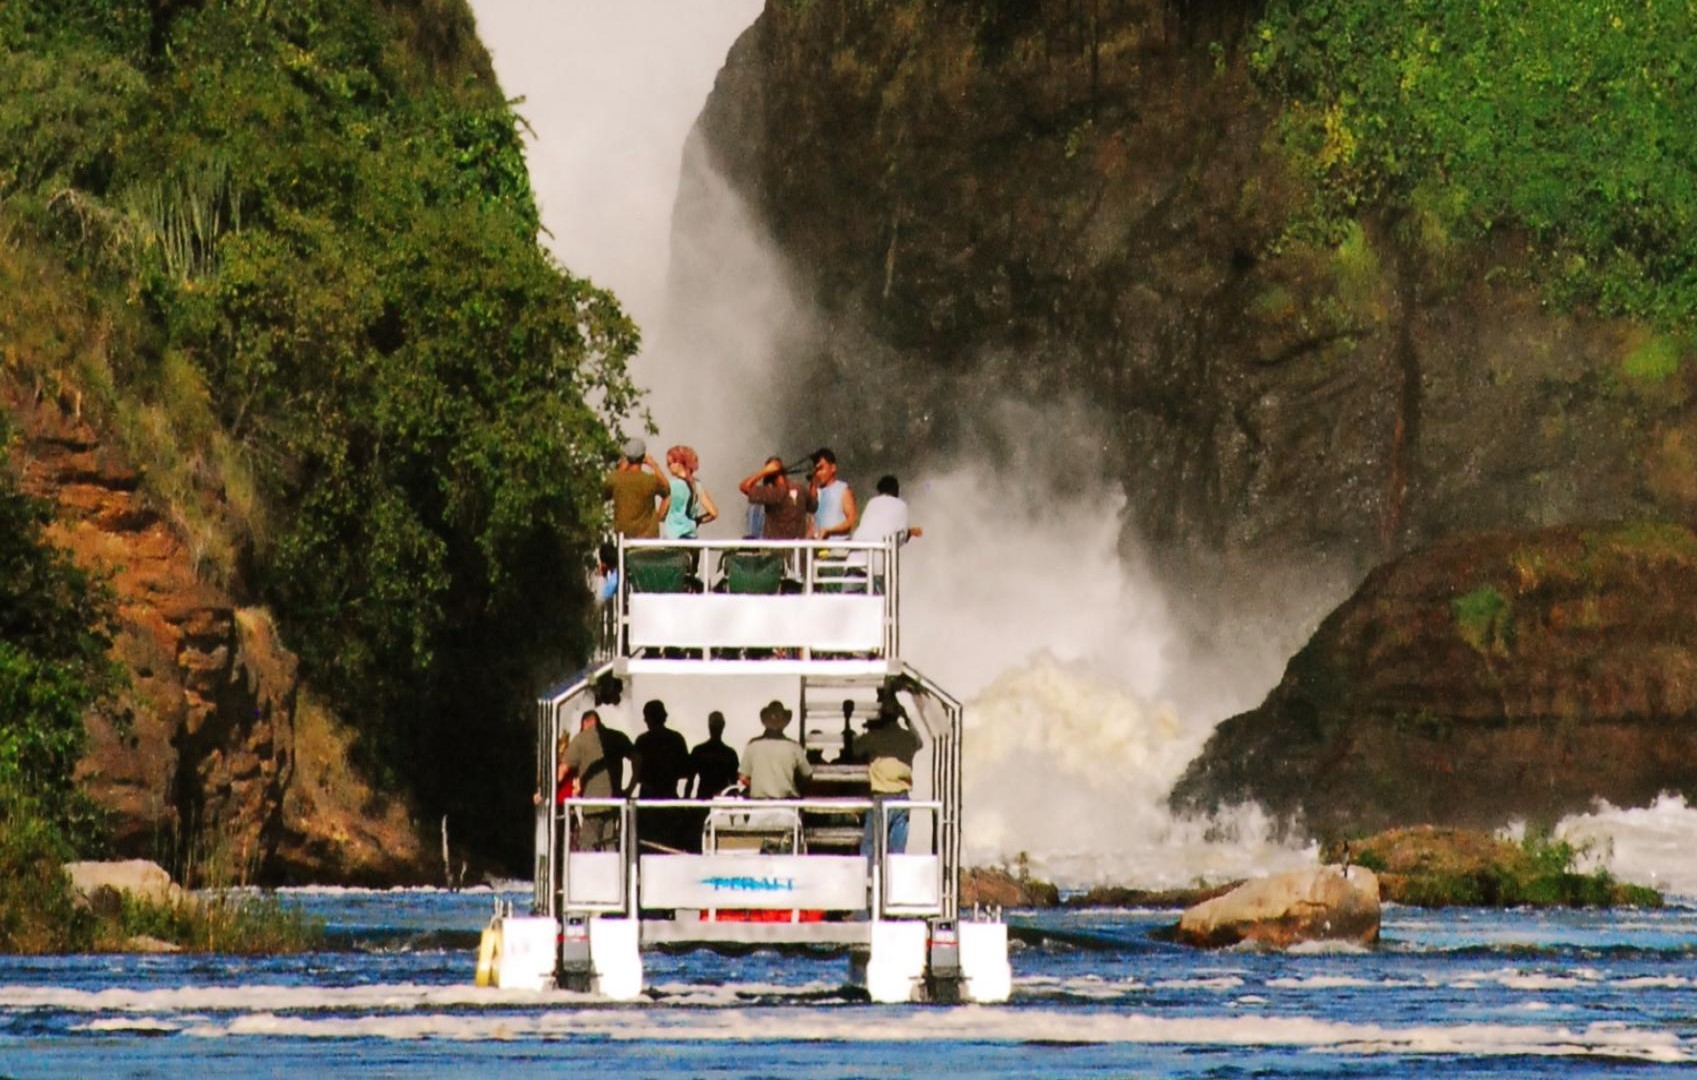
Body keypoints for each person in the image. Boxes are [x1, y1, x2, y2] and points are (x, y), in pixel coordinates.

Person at [855, 688, 923, 856]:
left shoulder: (873, 738)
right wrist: (907, 719)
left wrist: (868, 728)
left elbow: (855, 749)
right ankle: (892, 880)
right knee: (896, 850)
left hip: (881, 796)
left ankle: (869, 880)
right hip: (902, 798)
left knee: (871, 847)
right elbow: (919, 742)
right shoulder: (907, 738)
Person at [561, 709, 621, 851]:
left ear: (585, 723)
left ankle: (588, 872)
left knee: (588, 846)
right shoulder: (615, 737)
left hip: (591, 805)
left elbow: (563, 769)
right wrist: (630, 787)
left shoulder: (580, 739)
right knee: (610, 844)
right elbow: (636, 757)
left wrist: (545, 791)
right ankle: (612, 871)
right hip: (614, 803)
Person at [740, 700, 812, 799]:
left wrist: (757, 785)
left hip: (759, 805)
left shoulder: (753, 745)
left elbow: (743, 777)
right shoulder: (793, 747)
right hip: (787, 806)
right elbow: (807, 775)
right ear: (783, 723)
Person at [603, 437, 670, 539]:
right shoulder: (651, 480)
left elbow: (603, 494)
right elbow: (667, 490)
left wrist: (620, 469)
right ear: (643, 457)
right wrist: (654, 466)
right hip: (648, 538)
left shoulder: (615, 479)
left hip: (624, 537)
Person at [739, 456, 815, 541]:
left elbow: (744, 486)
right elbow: (814, 506)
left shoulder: (773, 494)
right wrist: (814, 482)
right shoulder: (800, 490)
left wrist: (764, 471)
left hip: (775, 549)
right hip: (797, 548)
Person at [661, 445, 718, 540]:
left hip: (674, 537)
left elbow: (661, 514)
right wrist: (697, 521)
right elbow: (713, 513)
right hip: (691, 537)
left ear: (680, 463)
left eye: (670, 463)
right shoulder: (697, 485)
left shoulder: (673, 485)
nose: (668, 466)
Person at [688, 711, 741, 798]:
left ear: (709, 726)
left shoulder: (699, 751)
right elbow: (734, 784)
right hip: (723, 799)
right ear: (723, 726)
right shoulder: (730, 753)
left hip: (704, 797)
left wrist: (686, 804)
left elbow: (690, 780)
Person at [808, 447, 857, 540]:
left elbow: (851, 521)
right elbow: (811, 524)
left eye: (821, 468)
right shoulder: (816, 492)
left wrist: (830, 531)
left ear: (833, 468)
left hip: (839, 549)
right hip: (818, 549)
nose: (818, 473)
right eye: (816, 470)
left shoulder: (843, 489)